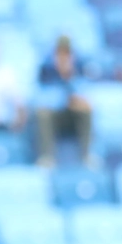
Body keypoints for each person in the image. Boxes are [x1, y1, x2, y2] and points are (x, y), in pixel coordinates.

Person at [35, 35, 93, 167]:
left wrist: (69, 77)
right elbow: (42, 99)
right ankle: (47, 157)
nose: (63, 57)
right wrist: (65, 100)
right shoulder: (46, 69)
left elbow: (85, 93)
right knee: (43, 114)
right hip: (55, 114)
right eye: (60, 53)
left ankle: (87, 156)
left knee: (86, 110)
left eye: (67, 53)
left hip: (73, 114)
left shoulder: (79, 67)